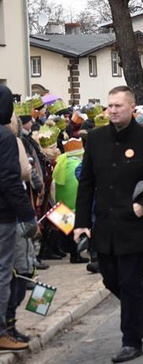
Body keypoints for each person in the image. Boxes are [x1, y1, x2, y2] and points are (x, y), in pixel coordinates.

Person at [73, 86, 143, 363]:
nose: (113, 110)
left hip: (134, 224)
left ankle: (131, 341)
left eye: (118, 105)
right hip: (105, 224)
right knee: (110, 279)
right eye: (110, 106)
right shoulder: (95, 139)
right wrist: (81, 223)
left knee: (130, 282)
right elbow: (87, 184)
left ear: (131, 108)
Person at [0, 85, 39, 353]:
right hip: (4, 215)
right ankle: (2, 330)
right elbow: (11, 180)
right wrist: (28, 215)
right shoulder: (4, 137)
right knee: (4, 273)